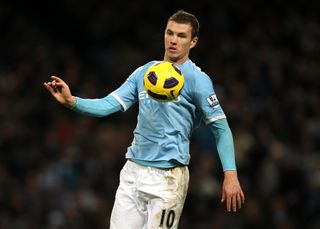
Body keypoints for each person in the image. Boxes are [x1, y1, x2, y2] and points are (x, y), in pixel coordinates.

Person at [44, 9, 245, 229]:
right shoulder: (144, 72)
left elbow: (221, 128)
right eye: (170, 33)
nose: (173, 40)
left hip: (169, 179)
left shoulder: (198, 80)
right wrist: (72, 101)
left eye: (181, 35)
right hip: (132, 172)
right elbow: (107, 105)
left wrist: (230, 174)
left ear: (193, 41)